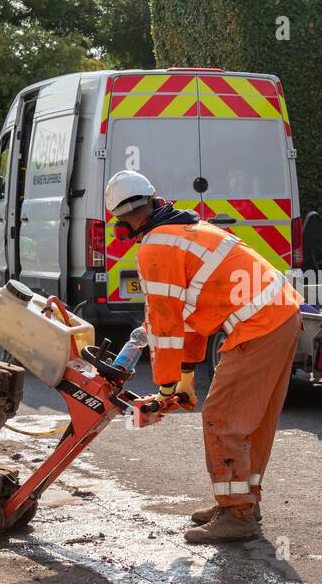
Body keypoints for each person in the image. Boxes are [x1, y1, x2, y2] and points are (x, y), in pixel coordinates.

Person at [105, 170, 303, 544]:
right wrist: (185, 377)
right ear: (153, 199)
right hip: (282, 315)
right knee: (252, 420)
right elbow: (192, 319)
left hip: (260, 325)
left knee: (222, 418)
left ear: (117, 218)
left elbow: (164, 328)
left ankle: (238, 514)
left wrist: (164, 389)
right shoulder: (186, 228)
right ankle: (242, 500)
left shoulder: (155, 247)